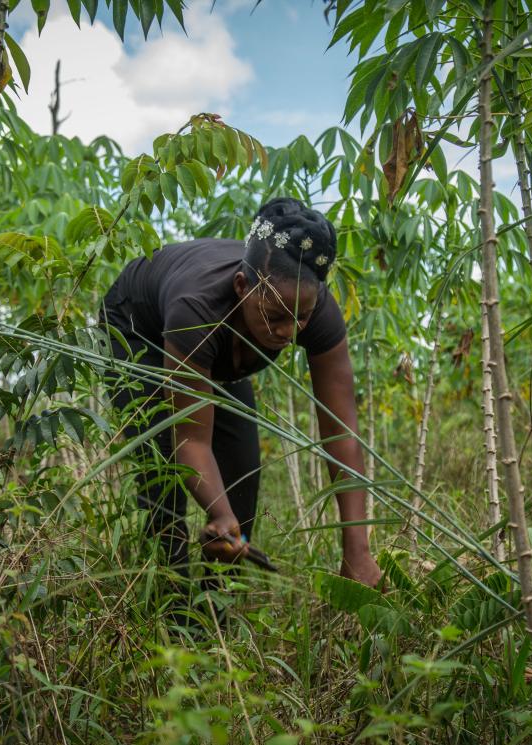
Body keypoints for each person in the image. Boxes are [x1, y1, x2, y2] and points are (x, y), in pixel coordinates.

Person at [98, 197, 382, 590]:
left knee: (241, 482)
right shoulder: (196, 310)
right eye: (276, 315)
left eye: (301, 317)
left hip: (220, 349)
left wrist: (358, 551)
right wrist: (217, 513)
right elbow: (192, 439)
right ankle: (171, 613)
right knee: (163, 475)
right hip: (138, 328)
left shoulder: (316, 311)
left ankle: (219, 612)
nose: (288, 331)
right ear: (242, 287)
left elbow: (341, 435)